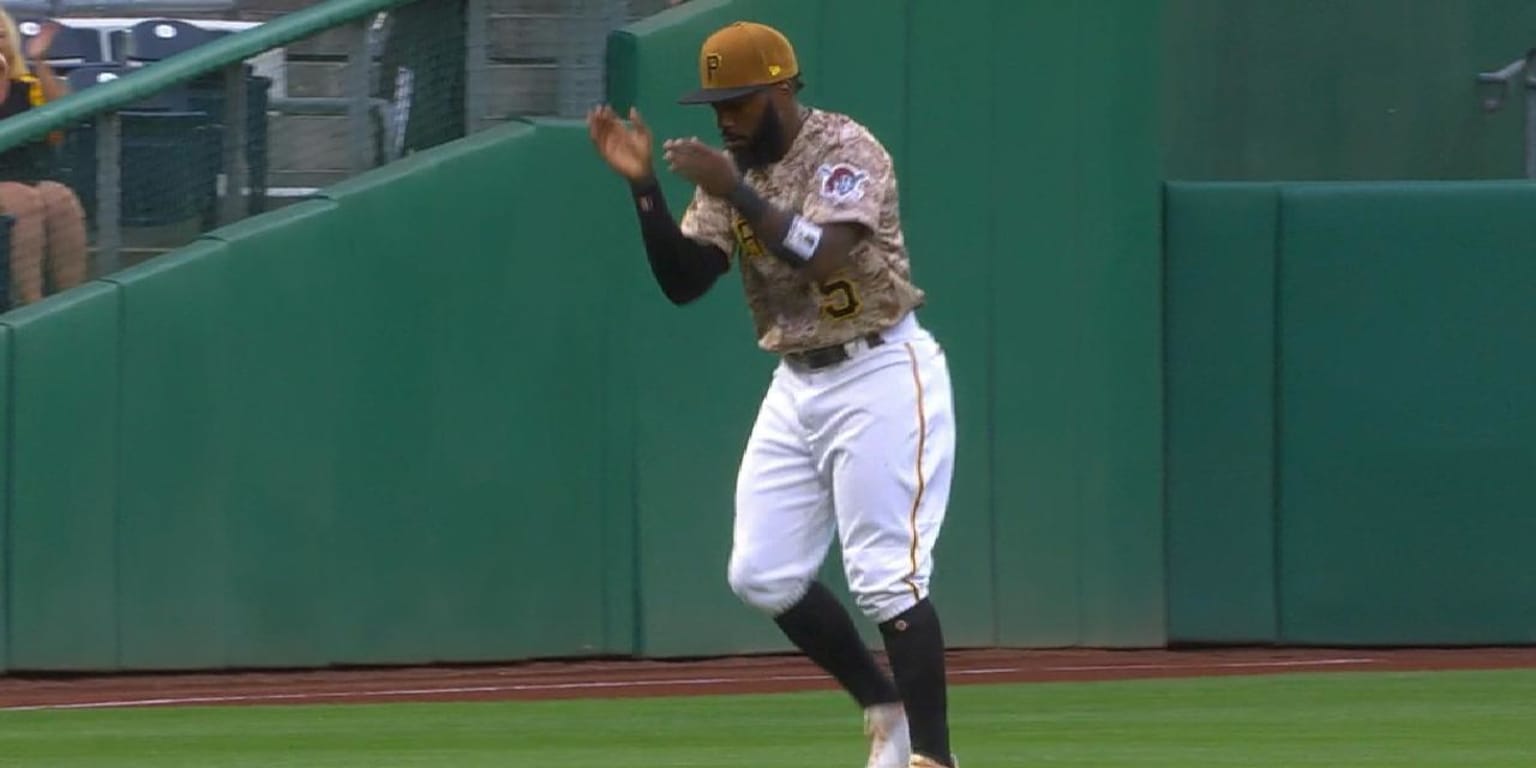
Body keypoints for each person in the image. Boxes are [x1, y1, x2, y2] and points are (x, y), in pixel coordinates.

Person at [587, 20, 959, 768]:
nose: (726, 119)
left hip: (880, 369)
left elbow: (826, 257)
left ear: (784, 90)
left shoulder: (845, 151)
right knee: (761, 572)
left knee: (887, 578)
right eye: (717, 105)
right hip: (798, 381)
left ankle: (934, 759)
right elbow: (687, 281)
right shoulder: (732, 171)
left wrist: (735, 192)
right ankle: (880, 703)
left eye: (741, 102)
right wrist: (646, 191)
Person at [0, 10, 86, 309]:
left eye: (2, 36)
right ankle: (30, 307)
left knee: (59, 198)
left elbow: (57, 129)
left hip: (25, 175)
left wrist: (39, 62)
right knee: (24, 201)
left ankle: (70, 301)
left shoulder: (26, 84)